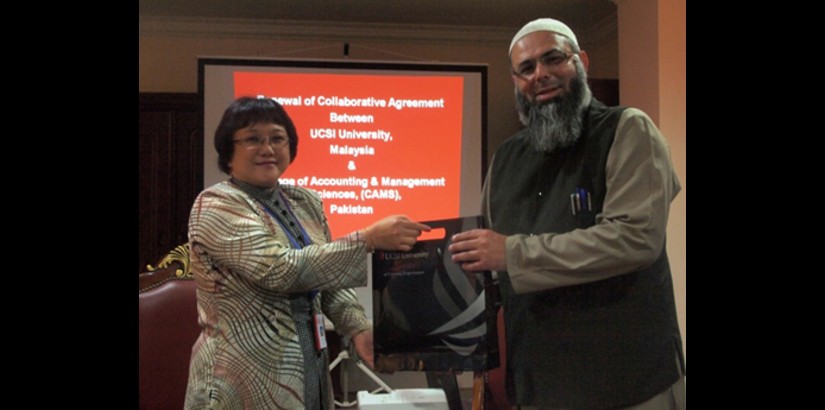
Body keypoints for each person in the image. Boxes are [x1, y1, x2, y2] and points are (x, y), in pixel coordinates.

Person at [448, 18, 685, 409]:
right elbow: (485, 260)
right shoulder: (506, 157)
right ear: (515, 80)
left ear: (582, 62)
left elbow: (634, 239)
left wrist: (512, 254)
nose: (540, 75)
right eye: (526, 68)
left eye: (552, 59)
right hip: (537, 385)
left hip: (628, 383)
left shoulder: (628, 130)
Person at [183, 96, 430, 410]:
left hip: (309, 372)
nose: (268, 148)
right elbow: (278, 269)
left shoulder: (304, 201)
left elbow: (326, 281)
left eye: (277, 138)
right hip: (242, 380)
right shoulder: (217, 204)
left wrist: (357, 328)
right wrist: (366, 239)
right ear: (228, 151)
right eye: (253, 139)